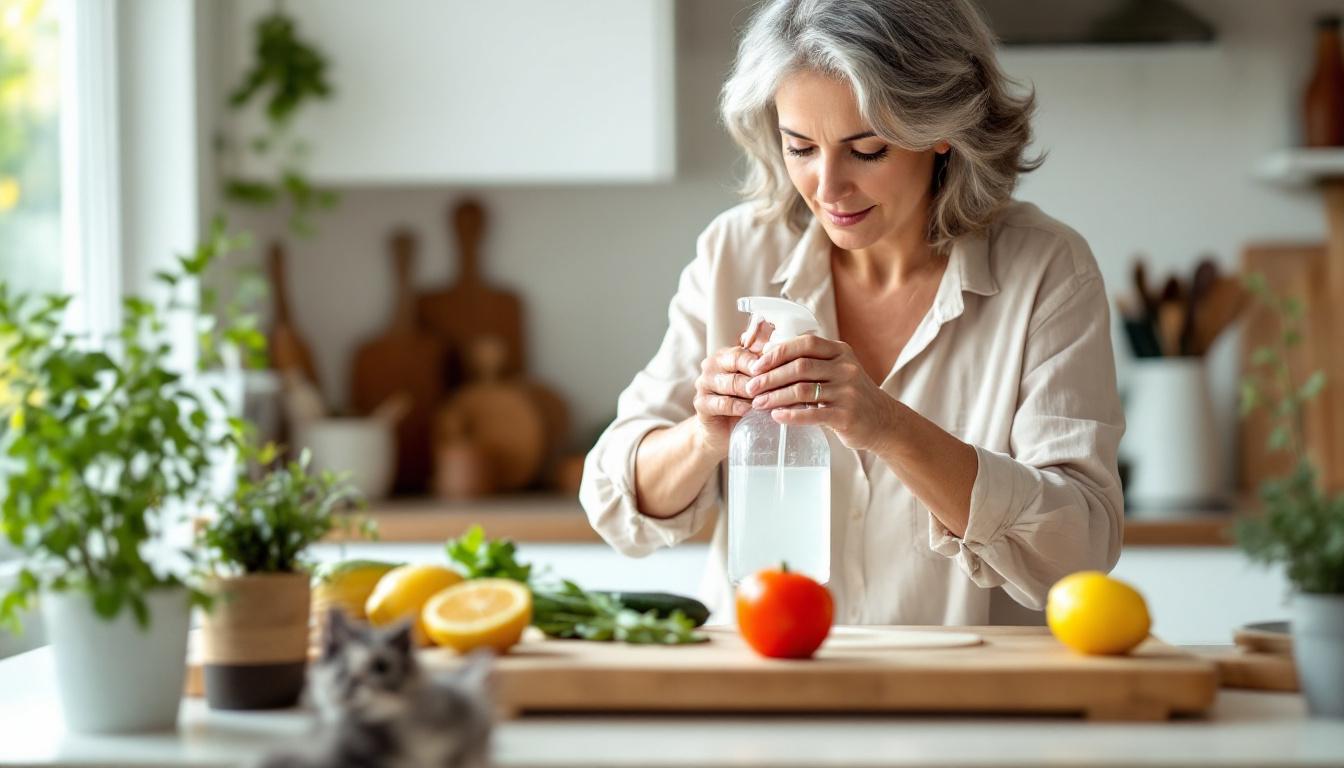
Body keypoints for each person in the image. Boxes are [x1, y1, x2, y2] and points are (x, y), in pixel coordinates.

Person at [579, 0, 1124, 625]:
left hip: (963, 700)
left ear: (940, 129)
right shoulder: (735, 251)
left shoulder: (1046, 268)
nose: (827, 188)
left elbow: (1080, 546)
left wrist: (889, 426)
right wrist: (704, 436)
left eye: (866, 150)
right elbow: (615, 506)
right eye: (801, 147)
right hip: (764, 684)